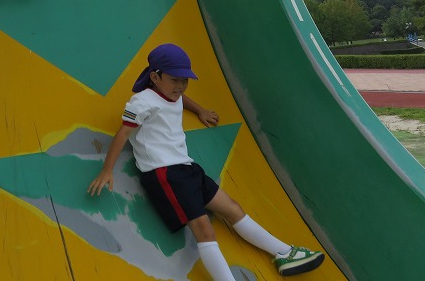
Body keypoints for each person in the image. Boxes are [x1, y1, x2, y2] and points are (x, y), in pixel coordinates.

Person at [88, 44, 325, 280]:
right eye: (174, 80)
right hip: (164, 173)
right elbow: (123, 133)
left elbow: (181, 99)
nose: (180, 86)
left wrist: (200, 110)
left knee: (233, 208)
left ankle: (284, 252)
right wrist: (107, 170)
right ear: (155, 77)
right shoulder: (142, 102)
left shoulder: (173, 93)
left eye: (185, 81)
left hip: (187, 168)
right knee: (204, 229)